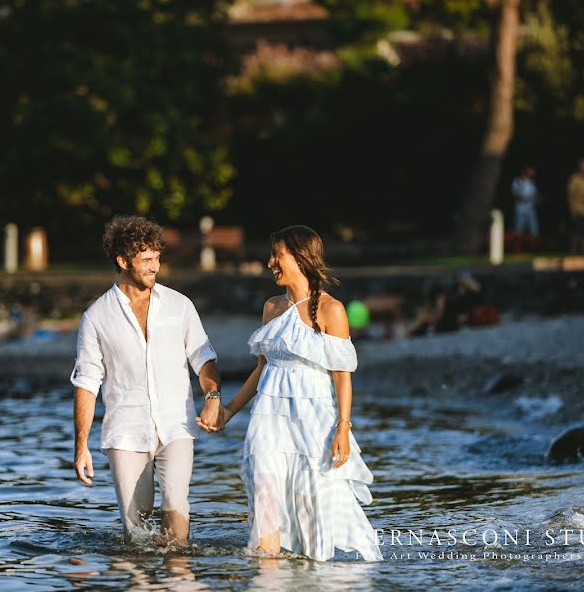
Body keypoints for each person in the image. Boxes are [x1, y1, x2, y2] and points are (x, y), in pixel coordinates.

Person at [197, 225, 382, 562]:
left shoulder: (331, 310)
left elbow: (342, 376)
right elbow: (261, 369)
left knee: (309, 503)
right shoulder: (271, 308)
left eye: (277, 255)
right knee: (264, 492)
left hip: (313, 420)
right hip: (268, 419)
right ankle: (267, 572)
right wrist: (229, 411)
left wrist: (343, 427)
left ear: (300, 258)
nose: (270, 262)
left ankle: (313, 571)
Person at [71, 215, 223, 545]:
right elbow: (86, 383)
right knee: (136, 533)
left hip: (177, 426)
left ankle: (179, 576)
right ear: (123, 261)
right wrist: (81, 445)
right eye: (147, 260)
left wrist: (212, 397)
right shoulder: (97, 317)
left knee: (176, 513)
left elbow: (204, 359)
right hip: (125, 431)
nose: (155, 267)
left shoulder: (180, 306)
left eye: (157, 258)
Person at [512, 165, 540, 238]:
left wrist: (536, 198)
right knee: (519, 229)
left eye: (533, 171)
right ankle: (517, 246)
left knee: (534, 229)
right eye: (531, 171)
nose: (532, 173)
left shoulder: (532, 183)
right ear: (526, 171)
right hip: (520, 208)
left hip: (531, 208)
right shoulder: (518, 181)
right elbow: (514, 195)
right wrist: (526, 198)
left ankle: (533, 246)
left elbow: (535, 195)